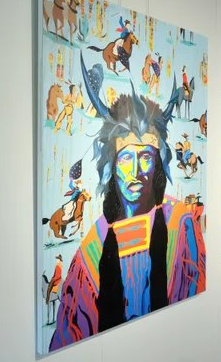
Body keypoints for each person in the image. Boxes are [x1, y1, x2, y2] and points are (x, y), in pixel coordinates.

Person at [48, 55, 206, 352]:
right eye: (125, 159)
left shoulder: (180, 224)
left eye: (145, 157)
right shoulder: (92, 247)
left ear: (157, 164)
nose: (135, 171)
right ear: (112, 165)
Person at [45, 255, 63, 324]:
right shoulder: (60, 265)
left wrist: (53, 279)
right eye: (57, 259)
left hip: (57, 280)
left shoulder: (58, 266)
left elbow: (57, 275)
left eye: (57, 259)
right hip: (58, 278)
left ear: (59, 260)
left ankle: (48, 298)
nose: (57, 260)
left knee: (49, 288)